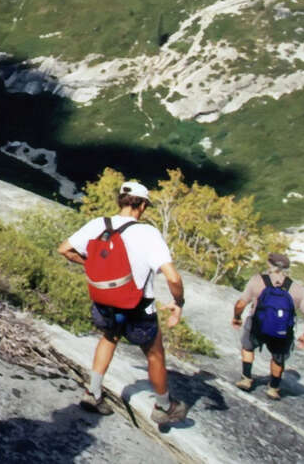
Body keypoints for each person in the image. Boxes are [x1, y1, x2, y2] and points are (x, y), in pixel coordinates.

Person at [57, 180, 189, 426]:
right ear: (141, 206)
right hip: (138, 305)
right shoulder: (147, 233)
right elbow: (173, 276)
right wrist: (178, 301)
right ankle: (164, 406)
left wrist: (95, 268)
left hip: (104, 301)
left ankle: (93, 393)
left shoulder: (98, 224)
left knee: (109, 337)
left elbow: (64, 249)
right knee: (155, 354)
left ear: (121, 201)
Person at [231, 252, 304, 400]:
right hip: (283, 331)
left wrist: (237, 317)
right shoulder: (297, 289)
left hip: (257, 325)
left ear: (269, 265)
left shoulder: (257, 281)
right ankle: (273, 388)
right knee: (278, 358)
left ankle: (246, 378)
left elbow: (240, 304)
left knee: (248, 347)